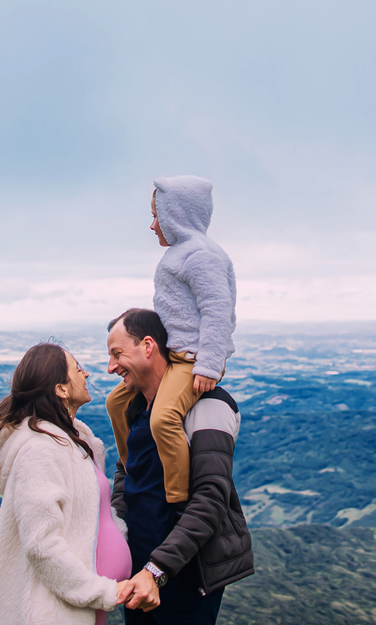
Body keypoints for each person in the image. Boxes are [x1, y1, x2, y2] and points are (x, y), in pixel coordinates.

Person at [107, 309, 253, 623]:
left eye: (117, 354)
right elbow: (126, 470)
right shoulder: (134, 407)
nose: (111, 367)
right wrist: (119, 528)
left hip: (182, 576)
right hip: (139, 573)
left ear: (148, 346)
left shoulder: (209, 404)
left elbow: (210, 499)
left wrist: (156, 569)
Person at [0, 342, 132, 625]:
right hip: (55, 611)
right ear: (61, 389)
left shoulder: (79, 441)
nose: (86, 375)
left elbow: (97, 515)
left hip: (87, 606)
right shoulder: (40, 450)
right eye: (78, 369)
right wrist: (103, 591)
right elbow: (42, 545)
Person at [106, 176, 237, 505]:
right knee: (116, 403)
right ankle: (131, 467)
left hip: (193, 359)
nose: (152, 226)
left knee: (163, 419)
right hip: (174, 354)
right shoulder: (179, 255)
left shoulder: (202, 256)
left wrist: (208, 365)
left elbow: (217, 311)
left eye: (157, 215)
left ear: (177, 214)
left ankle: (176, 495)